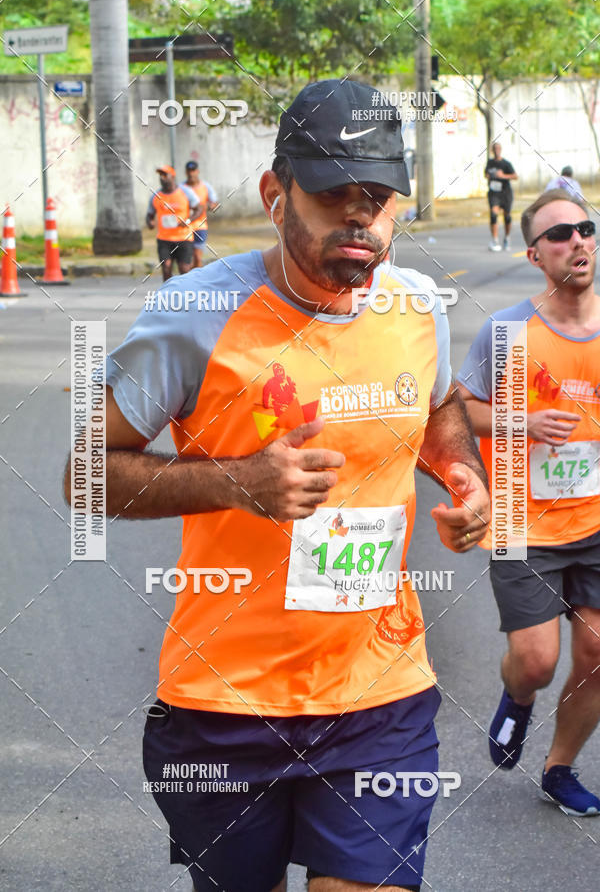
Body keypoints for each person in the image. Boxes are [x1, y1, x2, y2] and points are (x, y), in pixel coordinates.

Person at [68, 79, 490, 892]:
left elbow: (436, 409)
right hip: (225, 707)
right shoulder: (196, 312)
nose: (361, 218)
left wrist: (461, 471)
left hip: (381, 693)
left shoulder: (415, 307)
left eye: (379, 198)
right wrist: (236, 482)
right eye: (335, 196)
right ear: (275, 193)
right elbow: (88, 471)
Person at [457, 189, 600, 817]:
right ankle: (518, 697)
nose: (577, 242)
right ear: (534, 255)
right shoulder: (508, 331)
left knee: (597, 654)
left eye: (585, 229)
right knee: (538, 661)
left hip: (597, 521)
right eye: (560, 235)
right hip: (523, 521)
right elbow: (456, 409)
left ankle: (559, 768)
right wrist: (520, 421)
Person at [146, 165, 202, 281]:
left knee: (184, 269)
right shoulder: (156, 196)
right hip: (164, 239)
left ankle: (186, 294)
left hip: (184, 238)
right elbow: (149, 214)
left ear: (173, 176)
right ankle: (168, 295)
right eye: (160, 175)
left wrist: (188, 221)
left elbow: (199, 209)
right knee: (166, 268)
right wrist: (150, 222)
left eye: (165, 175)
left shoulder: (185, 192)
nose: (162, 178)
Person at [182, 160, 219, 268]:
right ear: (186, 172)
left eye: (193, 170)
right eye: (189, 171)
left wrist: (208, 206)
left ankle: (197, 281)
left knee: (197, 257)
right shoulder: (181, 188)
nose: (191, 173)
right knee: (187, 261)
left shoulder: (205, 187)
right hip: (185, 227)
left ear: (197, 171)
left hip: (200, 226)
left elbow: (215, 205)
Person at [485, 142, 518, 252]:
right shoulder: (490, 162)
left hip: (505, 193)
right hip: (494, 193)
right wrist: (490, 175)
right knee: (493, 215)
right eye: (495, 148)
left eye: (498, 148)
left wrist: (503, 176)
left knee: (507, 216)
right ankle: (495, 240)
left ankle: (507, 238)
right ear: (492, 150)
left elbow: (515, 176)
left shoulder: (506, 163)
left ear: (501, 150)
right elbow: (486, 174)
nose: (496, 150)